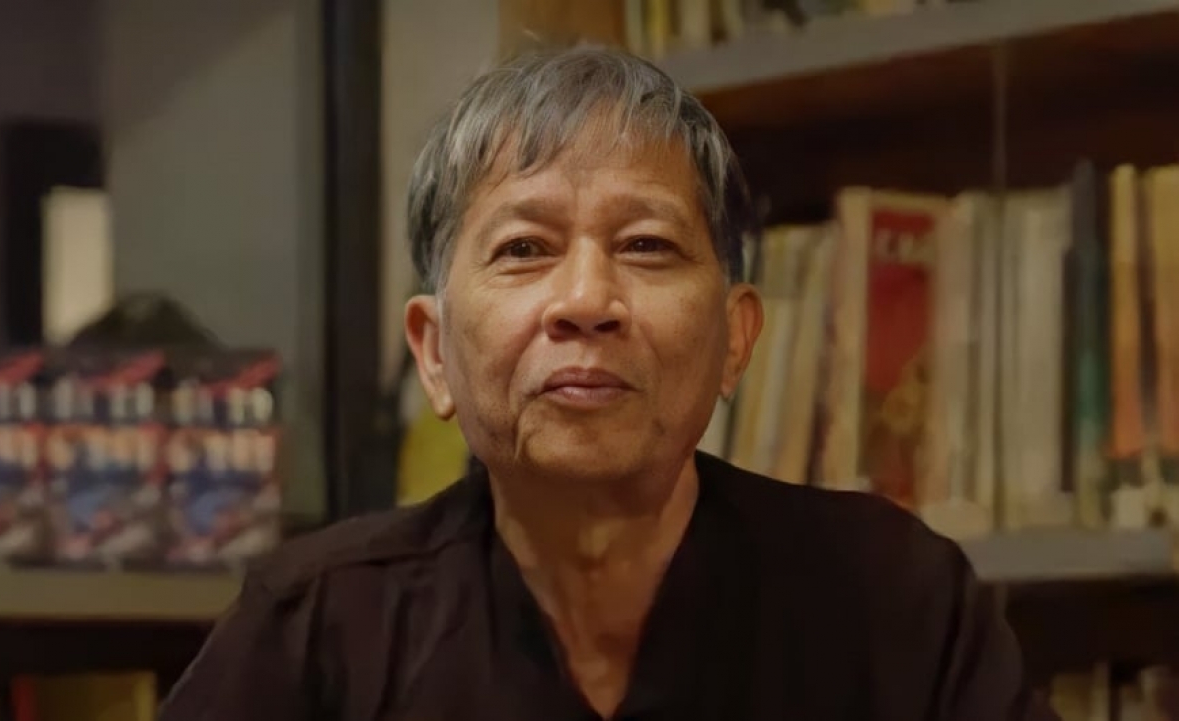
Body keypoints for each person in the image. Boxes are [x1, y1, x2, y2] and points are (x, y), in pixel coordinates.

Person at [159, 45, 1060, 720]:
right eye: (524, 248)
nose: (587, 300)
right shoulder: (314, 629)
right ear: (433, 353)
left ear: (736, 339)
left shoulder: (896, 603)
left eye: (646, 245)